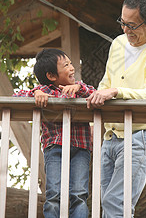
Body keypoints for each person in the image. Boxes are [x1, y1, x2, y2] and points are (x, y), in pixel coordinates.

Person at [87, 0, 146, 217]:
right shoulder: (118, 43)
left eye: (132, 25)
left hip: (138, 137)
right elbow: (105, 82)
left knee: (117, 205)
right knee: (108, 205)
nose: (125, 30)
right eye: (122, 23)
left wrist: (117, 91)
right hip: (110, 137)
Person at [14, 48, 96, 218]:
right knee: (53, 194)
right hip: (54, 147)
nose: (72, 68)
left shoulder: (80, 89)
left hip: (81, 147)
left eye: (70, 63)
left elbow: (95, 94)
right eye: (66, 65)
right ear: (51, 76)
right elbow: (17, 95)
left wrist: (78, 88)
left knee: (79, 194)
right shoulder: (45, 91)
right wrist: (35, 92)